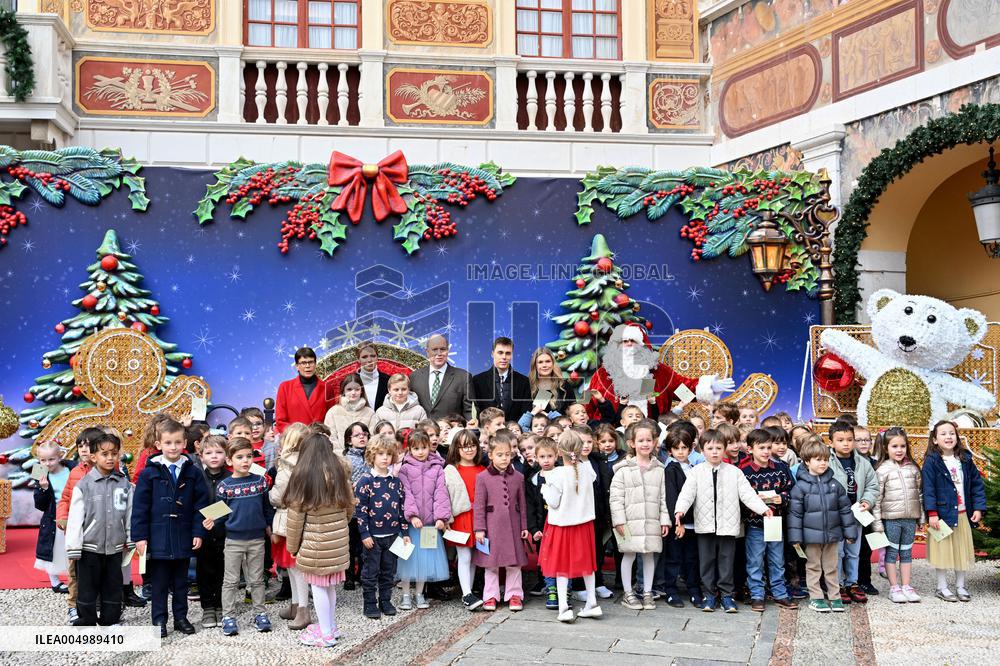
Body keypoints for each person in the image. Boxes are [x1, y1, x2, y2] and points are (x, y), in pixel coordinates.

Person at [673, 429, 771, 613]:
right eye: (710, 448)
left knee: (726, 562)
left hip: (728, 525)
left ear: (724, 449)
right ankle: (709, 595)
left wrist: (763, 508)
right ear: (702, 450)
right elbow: (687, 493)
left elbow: (747, 494)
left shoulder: (735, 472)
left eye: (718, 448)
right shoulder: (696, 472)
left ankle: (727, 596)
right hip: (705, 525)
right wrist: (680, 510)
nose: (714, 452)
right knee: (706, 562)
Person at [132, 418, 210, 638]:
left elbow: (201, 505)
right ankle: (159, 620)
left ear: (184, 442)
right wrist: (140, 536)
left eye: (177, 442)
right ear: (159, 444)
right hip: (158, 536)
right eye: (168, 443)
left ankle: (181, 618)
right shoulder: (149, 473)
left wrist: (198, 531)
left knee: (181, 582)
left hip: (183, 533)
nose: (173, 447)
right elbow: (140, 507)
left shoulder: (193, 472)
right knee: (159, 583)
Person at [284, 433, 355, 647]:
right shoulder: (339, 474)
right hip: (338, 542)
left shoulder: (302, 477)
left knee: (318, 587)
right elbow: (349, 509)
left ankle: (325, 635)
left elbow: (295, 521)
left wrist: (292, 547)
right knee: (330, 586)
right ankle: (330, 626)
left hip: (315, 546)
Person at [588, 323, 734, 422]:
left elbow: (684, 391)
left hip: (654, 437)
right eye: (624, 341)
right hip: (614, 439)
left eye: (633, 341)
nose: (629, 345)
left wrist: (709, 387)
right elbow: (587, 404)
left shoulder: (660, 372)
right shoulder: (603, 374)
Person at [206, 438, 274, 636]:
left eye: (248, 456)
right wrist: (210, 520)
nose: (245, 461)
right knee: (230, 580)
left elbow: (266, 508)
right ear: (229, 460)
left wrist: (271, 530)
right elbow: (221, 511)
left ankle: (260, 613)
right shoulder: (224, 486)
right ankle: (228, 616)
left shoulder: (260, 482)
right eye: (239, 457)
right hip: (233, 541)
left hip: (257, 539)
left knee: (257, 580)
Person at [65, 432, 133, 626]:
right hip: (89, 548)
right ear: (93, 457)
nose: (110, 458)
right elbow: (75, 519)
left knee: (113, 586)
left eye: (114, 453)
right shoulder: (83, 485)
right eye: (105, 454)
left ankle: (110, 621)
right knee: (87, 588)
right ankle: (86, 621)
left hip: (114, 547)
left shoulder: (124, 484)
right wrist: (74, 546)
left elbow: (129, 513)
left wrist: (130, 538)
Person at [538, 429, 603, 623]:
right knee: (587, 565)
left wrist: (544, 488)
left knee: (561, 567)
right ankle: (592, 603)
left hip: (562, 526)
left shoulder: (556, 474)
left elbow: (553, 502)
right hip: (584, 525)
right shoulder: (587, 470)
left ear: (559, 451)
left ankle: (564, 608)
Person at [788, 435, 857, 613]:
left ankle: (835, 596)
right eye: (818, 459)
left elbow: (845, 510)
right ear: (807, 461)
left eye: (825, 459)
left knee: (832, 567)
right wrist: (795, 537)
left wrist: (850, 532)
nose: (823, 463)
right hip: (811, 537)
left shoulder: (835, 485)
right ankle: (816, 597)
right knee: (813, 567)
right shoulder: (800, 487)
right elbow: (795, 514)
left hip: (832, 535)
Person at [922, 420, 986, 603]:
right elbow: (928, 489)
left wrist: (979, 507)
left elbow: (976, 484)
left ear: (957, 437)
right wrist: (932, 513)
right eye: (943, 434)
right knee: (942, 551)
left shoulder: (965, 459)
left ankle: (960, 586)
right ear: (935, 439)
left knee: (961, 550)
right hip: (941, 515)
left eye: (952, 433)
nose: (948, 437)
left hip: (963, 513)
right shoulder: (932, 462)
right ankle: (942, 587)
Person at [610, 419, 671, 611]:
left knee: (649, 556)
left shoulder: (660, 470)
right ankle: (628, 593)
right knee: (628, 555)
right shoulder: (623, 470)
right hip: (627, 521)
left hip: (651, 520)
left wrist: (665, 520)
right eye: (641, 440)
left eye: (649, 440)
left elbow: (664, 498)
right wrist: (619, 521)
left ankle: (647, 591)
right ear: (632, 443)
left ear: (655, 442)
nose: (645, 444)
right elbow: (616, 498)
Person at [739, 429, 796, 611]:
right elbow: (740, 497)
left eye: (768, 447)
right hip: (755, 524)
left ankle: (780, 594)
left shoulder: (781, 468)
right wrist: (755, 502)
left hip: (775, 523)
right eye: (761, 448)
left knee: (777, 560)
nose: (766, 451)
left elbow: (791, 489)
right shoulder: (744, 472)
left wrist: (783, 498)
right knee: (755, 561)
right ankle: (757, 594)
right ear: (750, 449)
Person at [473, 429, 530, 611]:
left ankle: (515, 595)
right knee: (491, 564)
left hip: (513, 526)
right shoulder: (482, 478)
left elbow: (522, 504)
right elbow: (479, 506)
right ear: (490, 455)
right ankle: (490, 596)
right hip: (492, 527)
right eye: (499, 455)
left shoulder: (519, 477)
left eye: (507, 454)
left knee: (514, 563)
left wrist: (524, 526)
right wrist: (479, 529)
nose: (504, 458)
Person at [56, 428, 107, 624]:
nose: (84, 449)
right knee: (74, 570)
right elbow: (65, 498)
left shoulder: (108, 470)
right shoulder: (75, 472)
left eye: (88, 445)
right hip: (77, 532)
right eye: (80, 446)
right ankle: (73, 605)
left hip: (99, 531)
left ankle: (101, 604)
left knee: (101, 569)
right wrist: (63, 516)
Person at [396, 430, 452, 610]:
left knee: (425, 561)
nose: (420, 452)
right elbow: (406, 493)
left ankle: (420, 593)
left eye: (423, 447)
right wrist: (412, 515)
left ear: (429, 447)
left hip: (429, 525)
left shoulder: (437, 468)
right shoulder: (404, 469)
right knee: (408, 560)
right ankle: (406, 595)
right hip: (411, 525)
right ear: (409, 449)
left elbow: (441, 493)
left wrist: (441, 517)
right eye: (416, 448)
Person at [355, 434, 406, 619]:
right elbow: (360, 510)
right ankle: (370, 603)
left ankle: (385, 600)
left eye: (388, 454)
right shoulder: (365, 481)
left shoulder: (396, 482)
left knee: (388, 571)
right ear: (372, 455)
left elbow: (401, 509)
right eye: (380, 454)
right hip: (373, 537)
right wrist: (364, 534)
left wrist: (404, 532)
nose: (385, 458)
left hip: (392, 535)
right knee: (370, 572)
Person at [826, 420, 878, 605]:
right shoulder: (827, 461)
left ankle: (852, 583)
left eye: (849, 440)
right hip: (835, 515)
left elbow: (872, 485)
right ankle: (838, 584)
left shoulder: (863, 463)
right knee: (837, 552)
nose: (846, 444)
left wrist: (867, 501)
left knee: (854, 551)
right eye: (840, 440)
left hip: (856, 515)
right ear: (831, 442)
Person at [871, 427, 923, 603]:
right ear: (886, 448)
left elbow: (919, 495)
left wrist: (921, 517)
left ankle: (906, 585)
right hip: (891, 519)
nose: (899, 450)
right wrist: (877, 523)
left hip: (910, 519)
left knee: (907, 552)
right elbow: (877, 499)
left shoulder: (913, 469)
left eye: (902, 446)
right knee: (892, 553)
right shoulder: (882, 470)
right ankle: (894, 587)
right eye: (894, 446)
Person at [268, 423, 313, 629]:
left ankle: (303, 609)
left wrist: (268, 493)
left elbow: (278, 496)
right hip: (304, 518)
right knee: (294, 567)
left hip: (288, 519)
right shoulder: (309, 462)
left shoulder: (286, 465)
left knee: (295, 568)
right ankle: (296, 605)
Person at [443, 429, 486, 610]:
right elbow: (444, 496)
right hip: (461, 516)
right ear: (456, 449)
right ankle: (466, 593)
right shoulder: (451, 470)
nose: (469, 450)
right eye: (464, 446)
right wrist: (446, 518)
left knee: (474, 555)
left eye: (472, 445)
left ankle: (469, 591)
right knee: (464, 555)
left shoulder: (483, 469)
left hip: (479, 517)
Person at [661, 427, 702, 608]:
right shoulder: (670, 469)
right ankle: (671, 591)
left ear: (690, 448)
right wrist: (679, 522)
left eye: (684, 448)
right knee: (674, 558)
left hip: (695, 522)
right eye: (676, 448)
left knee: (692, 559)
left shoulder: (695, 468)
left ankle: (694, 590)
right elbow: (672, 498)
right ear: (670, 450)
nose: (680, 452)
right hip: (679, 523)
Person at [193, 435, 230, 630]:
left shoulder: (231, 478)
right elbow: (194, 503)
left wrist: (215, 517)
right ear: (201, 457)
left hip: (226, 532)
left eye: (219, 452)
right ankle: (208, 606)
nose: (214, 456)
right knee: (205, 570)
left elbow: (232, 504)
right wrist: (205, 520)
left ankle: (222, 605)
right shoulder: (198, 477)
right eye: (209, 453)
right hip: (204, 533)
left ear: (226, 455)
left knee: (224, 571)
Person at [33, 441, 76, 593]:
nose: (47, 463)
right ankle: (55, 581)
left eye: (51, 459)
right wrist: (44, 489)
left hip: (73, 512)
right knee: (54, 547)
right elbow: (39, 504)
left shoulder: (72, 467)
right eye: (43, 460)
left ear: (59, 456)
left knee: (72, 547)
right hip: (53, 516)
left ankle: (75, 578)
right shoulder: (39, 471)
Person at [410, 335, 475, 422]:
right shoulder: (414, 377)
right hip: (423, 429)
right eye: (434, 349)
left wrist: (472, 424)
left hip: (451, 429)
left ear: (448, 350)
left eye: (443, 349)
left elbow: (470, 411)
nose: (439, 353)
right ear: (427, 351)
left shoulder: (463, 377)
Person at [525, 436, 558, 607]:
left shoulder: (561, 476)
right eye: (542, 457)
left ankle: (563, 588)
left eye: (549, 456)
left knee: (560, 557)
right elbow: (530, 507)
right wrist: (533, 529)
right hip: (541, 527)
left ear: (556, 456)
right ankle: (548, 586)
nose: (546, 460)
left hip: (559, 526)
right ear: (536, 458)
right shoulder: (533, 480)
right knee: (544, 557)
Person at [472, 337, 532, 422]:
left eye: (508, 353)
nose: (504, 357)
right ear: (492, 354)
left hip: (514, 429)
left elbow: (525, 410)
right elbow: (476, 411)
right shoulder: (478, 381)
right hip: (487, 428)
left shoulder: (523, 381)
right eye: (500, 353)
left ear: (512, 355)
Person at [275, 347, 334, 433]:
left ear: (315, 364)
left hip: (319, 438)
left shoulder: (327, 388)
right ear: (297, 366)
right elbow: (280, 421)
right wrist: (297, 434)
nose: (307, 366)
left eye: (311, 362)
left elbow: (331, 419)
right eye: (303, 363)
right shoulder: (285, 387)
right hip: (295, 438)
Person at [343, 421, 371, 591]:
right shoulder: (346, 459)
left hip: (368, 508)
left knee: (364, 543)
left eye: (365, 434)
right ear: (349, 439)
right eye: (357, 435)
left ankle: (361, 573)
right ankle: (349, 577)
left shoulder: (371, 456)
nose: (362, 437)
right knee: (350, 544)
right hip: (352, 508)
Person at [517, 348, 571, 431]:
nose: (544, 365)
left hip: (560, 433)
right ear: (535, 365)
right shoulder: (526, 386)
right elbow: (523, 418)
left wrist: (545, 414)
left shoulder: (563, 385)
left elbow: (570, 415)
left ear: (553, 363)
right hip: (533, 434)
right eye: (540, 362)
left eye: (548, 361)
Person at [324, 373, 378, 449]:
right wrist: (341, 454)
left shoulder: (370, 413)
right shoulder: (333, 412)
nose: (353, 393)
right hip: (339, 455)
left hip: (365, 455)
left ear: (361, 391)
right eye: (349, 389)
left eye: (357, 389)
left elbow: (374, 438)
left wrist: (364, 454)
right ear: (343, 391)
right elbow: (330, 438)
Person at [355, 342, 392, 412]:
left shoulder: (389, 380)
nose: (369, 360)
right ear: (358, 359)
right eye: (364, 357)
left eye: (373, 356)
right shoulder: (351, 381)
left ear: (377, 357)